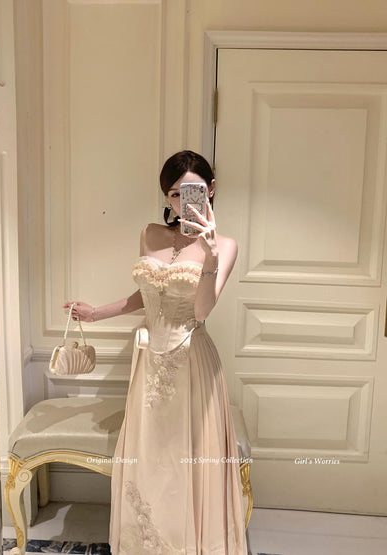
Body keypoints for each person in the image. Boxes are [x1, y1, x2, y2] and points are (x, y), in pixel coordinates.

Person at [63, 150, 248, 554]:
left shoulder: (226, 246)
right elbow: (147, 295)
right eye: (174, 194)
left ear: (210, 190)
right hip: (149, 364)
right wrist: (96, 313)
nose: (183, 203)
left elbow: (201, 311)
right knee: (150, 457)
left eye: (191, 192)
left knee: (187, 458)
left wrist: (211, 256)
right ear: (166, 197)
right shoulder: (150, 234)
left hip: (191, 361)